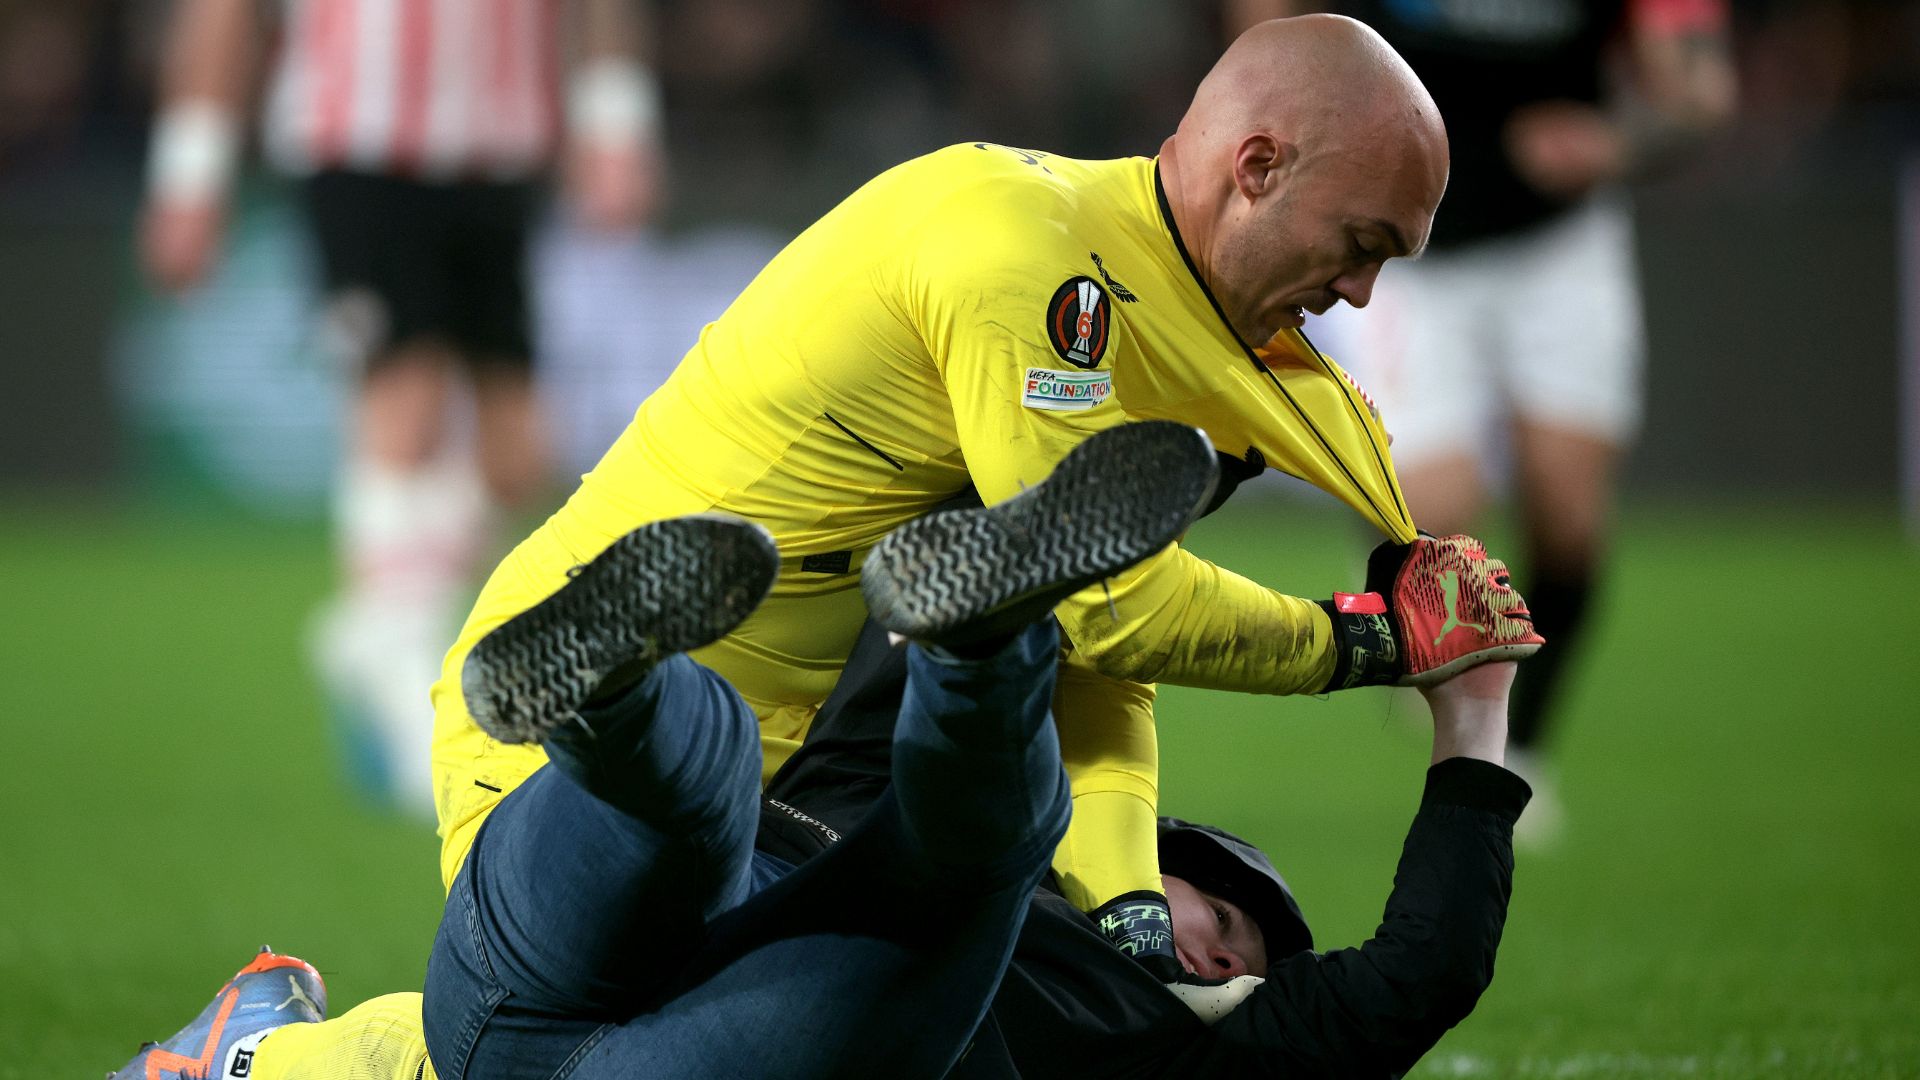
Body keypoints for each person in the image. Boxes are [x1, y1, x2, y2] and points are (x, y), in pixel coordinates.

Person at [425, 14, 1490, 977]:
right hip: (573, 756)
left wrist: (1124, 900)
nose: (1358, 293)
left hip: (779, 783)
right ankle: (282, 1050)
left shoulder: (1140, 286)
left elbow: (1073, 627)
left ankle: (281, 1043)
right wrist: (1366, 642)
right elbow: (1111, 609)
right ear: (1256, 166)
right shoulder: (1030, 257)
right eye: (1361, 246)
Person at [115, 423, 1535, 1080]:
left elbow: (1424, 974)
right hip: (542, 962)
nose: (1231, 954)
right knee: (710, 791)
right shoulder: (1039, 877)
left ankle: (988, 636)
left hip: (652, 1060)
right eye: (1228, 914)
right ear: (1145, 863)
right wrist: (1201, 449)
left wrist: (1474, 712)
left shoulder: (1164, 1057)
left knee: (957, 874)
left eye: (1253, 961)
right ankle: (609, 686)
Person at [140, 0, 665, 815]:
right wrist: (189, 174)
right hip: (360, 149)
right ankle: (405, 673)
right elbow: (225, 15)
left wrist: (615, 124)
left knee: (518, 457)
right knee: (405, 406)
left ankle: (374, 626)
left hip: (498, 154)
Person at [1247, 0, 1736, 840]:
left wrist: (1616, 142)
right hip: (1409, 251)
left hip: (1560, 244)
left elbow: (1700, 86)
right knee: (1430, 517)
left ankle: (1526, 750)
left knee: (1571, 521)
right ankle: (1439, 675)